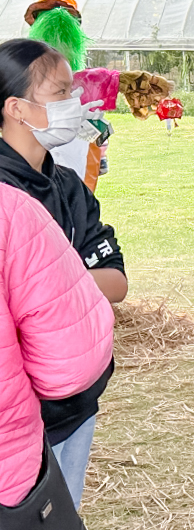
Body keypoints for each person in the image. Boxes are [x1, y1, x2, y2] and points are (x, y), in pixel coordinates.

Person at [0, 38, 127, 509]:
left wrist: (43, 289)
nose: (75, 106)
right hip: (20, 414)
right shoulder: (5, 197)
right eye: (60, 94)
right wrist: (70, 285)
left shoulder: (67, 185)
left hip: (77, 402)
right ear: (16, 107)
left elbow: (115, 280)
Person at [0, 183, 115, 509]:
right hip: (18, 470)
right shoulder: (13, 208)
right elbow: (69, 363)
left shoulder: (67, 185)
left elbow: (116, 274)